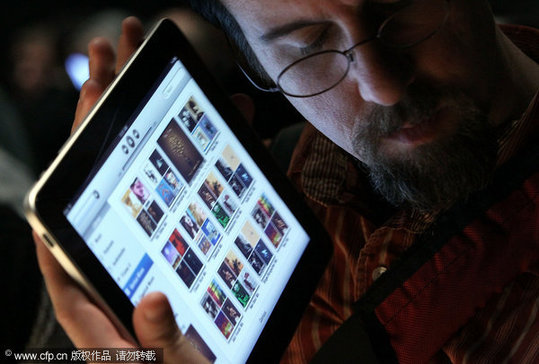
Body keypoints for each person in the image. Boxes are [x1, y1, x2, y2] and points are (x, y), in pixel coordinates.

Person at [34, 0, 539, 361]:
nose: (382, 85)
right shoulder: (286, 182)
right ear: (257, 68)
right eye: (311, 46)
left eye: (398, 6)